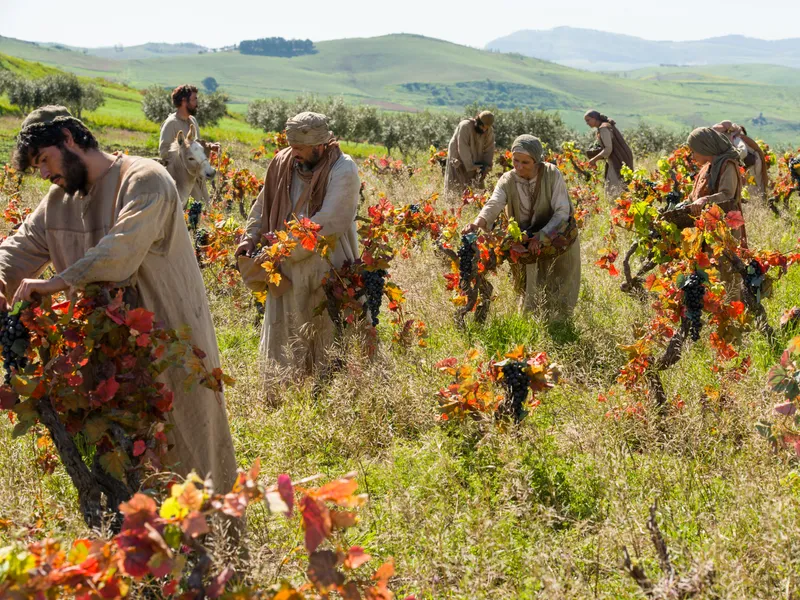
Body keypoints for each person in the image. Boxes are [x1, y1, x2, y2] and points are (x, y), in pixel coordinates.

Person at [1, 106, 239, 492]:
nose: (43, 173)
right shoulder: (59, 199)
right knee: (120, 468)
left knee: (190, 454)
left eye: (43, 160)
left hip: (169, 346)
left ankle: (212, 549)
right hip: (104, 355)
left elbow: (120, 251)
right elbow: (19, 247)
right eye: (36, 166)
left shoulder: (145, 179)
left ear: (69, 139)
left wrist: (57, 283)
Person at [236, 112, 360, 376]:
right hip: (285, 271)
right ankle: (283, 393)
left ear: (319, 146)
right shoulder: (284, 162)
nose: (294, 153)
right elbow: (263, 205)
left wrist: (281, 248)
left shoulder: (343, 169)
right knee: (285, 337)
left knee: (326, 334)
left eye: (300, 148)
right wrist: (251, 237)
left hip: (325, 267)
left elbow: (328, 221)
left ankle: (326, 393)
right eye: (291, 147)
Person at [462, 134, 580, 320]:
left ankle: (560, 323)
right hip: (525, 239)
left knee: (559, 279)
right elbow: (494, 203)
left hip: (557, 235)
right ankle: (530, 321)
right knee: (528, 285)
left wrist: (542, 236)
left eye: (525, 162)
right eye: (515, 160)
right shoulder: (508, 179)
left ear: (537, 161)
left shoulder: (551, 174)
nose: (518, 166)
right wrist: (477, 223)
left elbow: (561, 212)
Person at [686, 126, 745, 299]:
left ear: (705, 148)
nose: (692, 155)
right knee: (708, 270)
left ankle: (733, 312)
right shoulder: (707, 167)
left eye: (694, 151)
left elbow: (727, 194)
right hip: (707, 226)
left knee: (727, 270)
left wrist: (704, 200)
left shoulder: (728, 166)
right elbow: (693, 196)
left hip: (725, 226)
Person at [158, 84, 218, 204]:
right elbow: (163, 151)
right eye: (194, 99)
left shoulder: (192, 121)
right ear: (184, 101)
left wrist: (209, 146)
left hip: (195, 177)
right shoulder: (171, 123)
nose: (197, 103)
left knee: (204, 211)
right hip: (179, 182)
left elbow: (195, 146)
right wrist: (184, 157)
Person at [712, 120, 768, 201]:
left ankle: (758, 203)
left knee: (754, 186)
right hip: (743, 165)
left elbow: (743, 152)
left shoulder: (735, 138)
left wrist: (729, 158)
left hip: (752, 165)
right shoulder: (727, 139)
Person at [584, 110, 634, 199]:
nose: (587, 123)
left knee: (614, 188)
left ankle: (618, 207)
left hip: (618, 159)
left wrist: (594, 159)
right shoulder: (605, 126)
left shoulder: (604, 128)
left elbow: (608, 149)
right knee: (620, 185)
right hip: (622, 157)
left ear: (594, 118)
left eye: (588, 120)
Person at [444, 111, 496, 196]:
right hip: (458, 155)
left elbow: (489, 148)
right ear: (478, 121)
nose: (484, 130)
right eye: (483, 126)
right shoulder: (465, 126)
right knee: (456, 184)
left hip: (475, 155)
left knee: (476, 185)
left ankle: (475, 203)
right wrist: (470, 165)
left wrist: (486, 166)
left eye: (486, 128)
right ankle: (455, 203)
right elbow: (462, 147)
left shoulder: (488, 130)